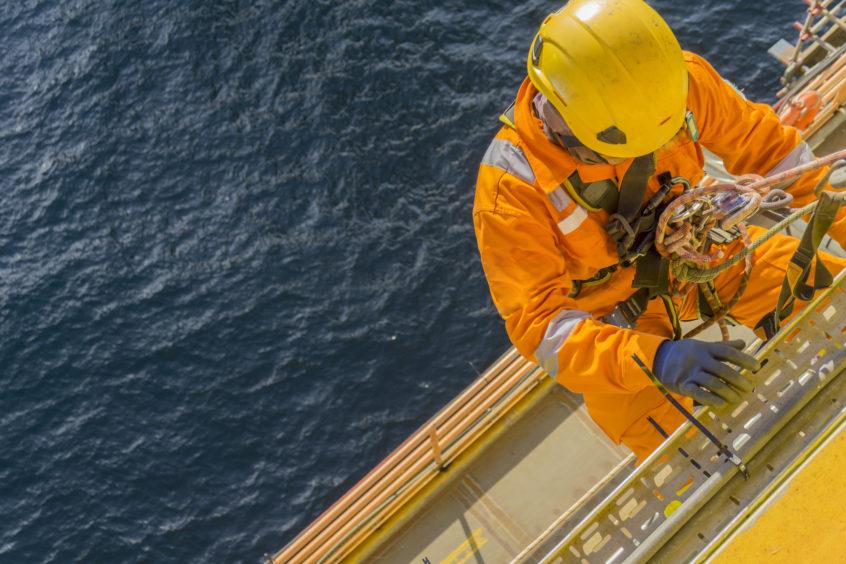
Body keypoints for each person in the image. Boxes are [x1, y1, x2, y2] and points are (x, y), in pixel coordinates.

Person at [473, 0, 846, 461]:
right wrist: (654, 359)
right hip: (619, 322)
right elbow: (541, 325)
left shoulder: (673, 86)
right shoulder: (511, 191)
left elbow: (773, 153)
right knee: (685, 456)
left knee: (830, 296)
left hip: (705, 256)